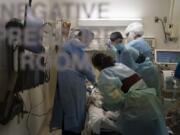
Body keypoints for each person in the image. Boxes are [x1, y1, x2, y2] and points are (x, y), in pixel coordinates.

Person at [91, 52, 168, 135]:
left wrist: (104, 105)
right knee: (155, 129)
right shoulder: (120, 66)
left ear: (97, 66)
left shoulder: (105, 73)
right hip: (150, 99)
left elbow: (114, 100)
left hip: (136, 105)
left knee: (138, 130)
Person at [50, 29, 96, 135]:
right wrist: (95, 81)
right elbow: (85, 67)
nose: (89, 43)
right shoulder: (75, 45)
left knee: (67, 109)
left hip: (66, 81)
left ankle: (68, 130)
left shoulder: (70, 44)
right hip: (71, 83)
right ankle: (72, 131)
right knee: (74, 110)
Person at [110, 32, 161, 96]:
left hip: (148, 72)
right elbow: (120, 65)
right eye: (116, 42)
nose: (119, 44)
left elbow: (129, 70)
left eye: (120, 41)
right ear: (112, 43)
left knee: (153, 94)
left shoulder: (126, 50)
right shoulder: (118, 51)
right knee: (146, 95)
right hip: (141, 70)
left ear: (122, 40)